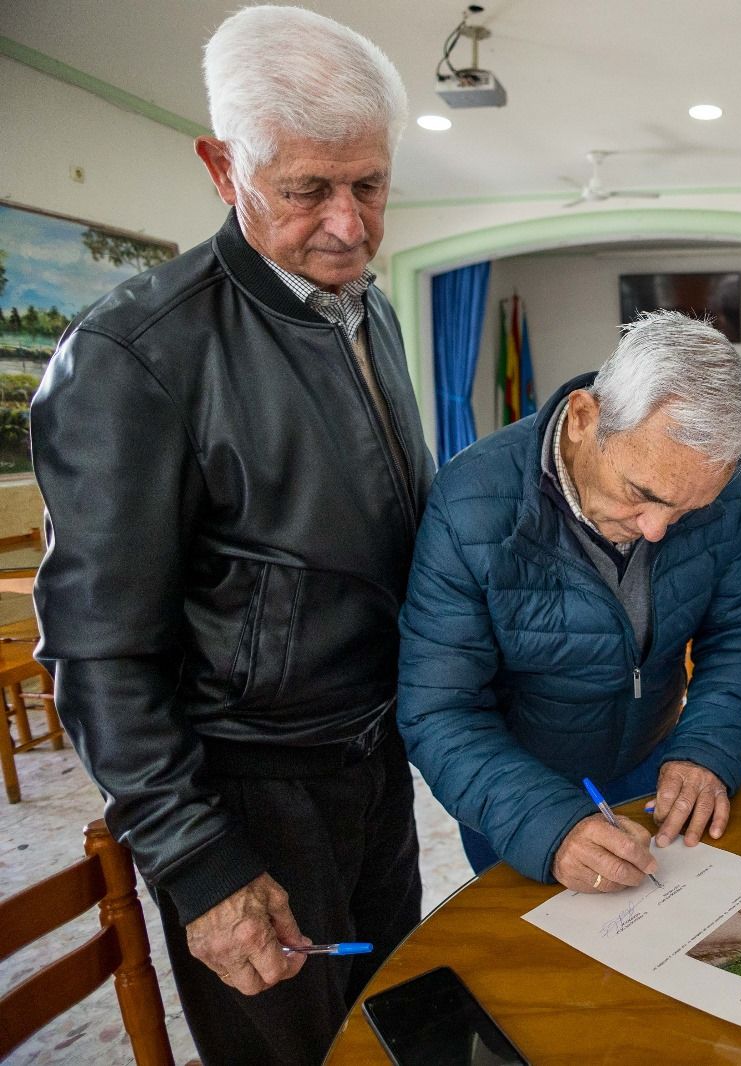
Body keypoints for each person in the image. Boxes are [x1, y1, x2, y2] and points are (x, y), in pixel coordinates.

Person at [30, 8, 432, 1063]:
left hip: (372, 756)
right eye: (306, 190)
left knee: (395, 1023)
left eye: (370, 185)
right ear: (222, 167)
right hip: (247, 791)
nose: (348, 225)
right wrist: (198, 862)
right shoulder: (133, 355)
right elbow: (97, 649)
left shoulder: (365, 307)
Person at [397, 311, 741, 893]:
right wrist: (546, 824)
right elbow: (439, 708)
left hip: (653, 760)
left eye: (685, 511)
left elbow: (740, 628)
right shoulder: (470, 504)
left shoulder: (708, 482)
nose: (657, 530)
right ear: (583, 418)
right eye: (641, 495)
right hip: (513, 787)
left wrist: (705, 746)